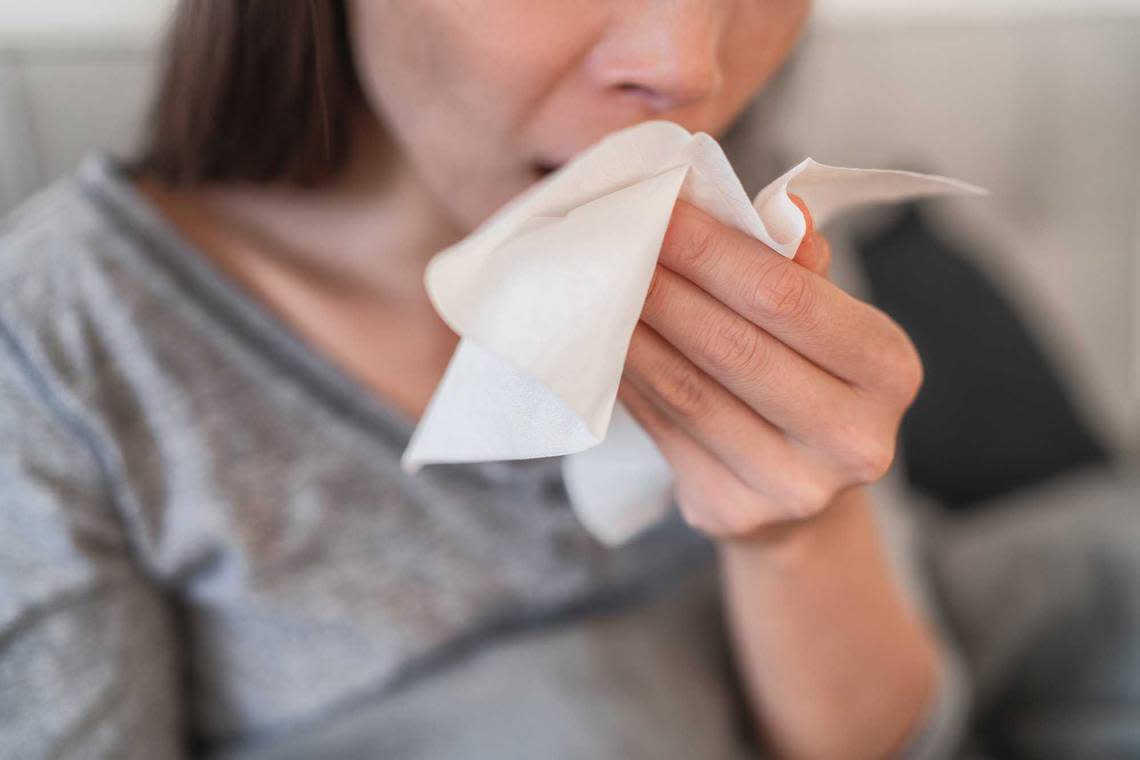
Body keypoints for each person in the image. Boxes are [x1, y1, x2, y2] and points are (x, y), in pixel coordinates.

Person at [0, 2, 969, 757]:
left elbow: (905, 739)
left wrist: (799, 536)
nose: (689, 67)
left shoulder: (745, 193)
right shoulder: (60, 345)